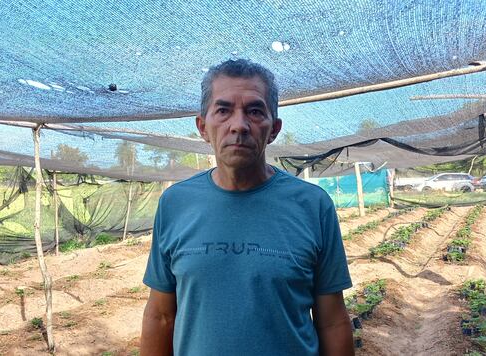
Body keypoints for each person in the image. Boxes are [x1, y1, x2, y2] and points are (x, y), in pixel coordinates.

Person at [140, 59, 354, 356]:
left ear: (274, 129)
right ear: (203, 127)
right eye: (223, 110)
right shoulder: (175, 204)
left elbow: (332, 322)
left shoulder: (313, 206)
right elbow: (160, 316)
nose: (239, 125)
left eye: (254, 111)